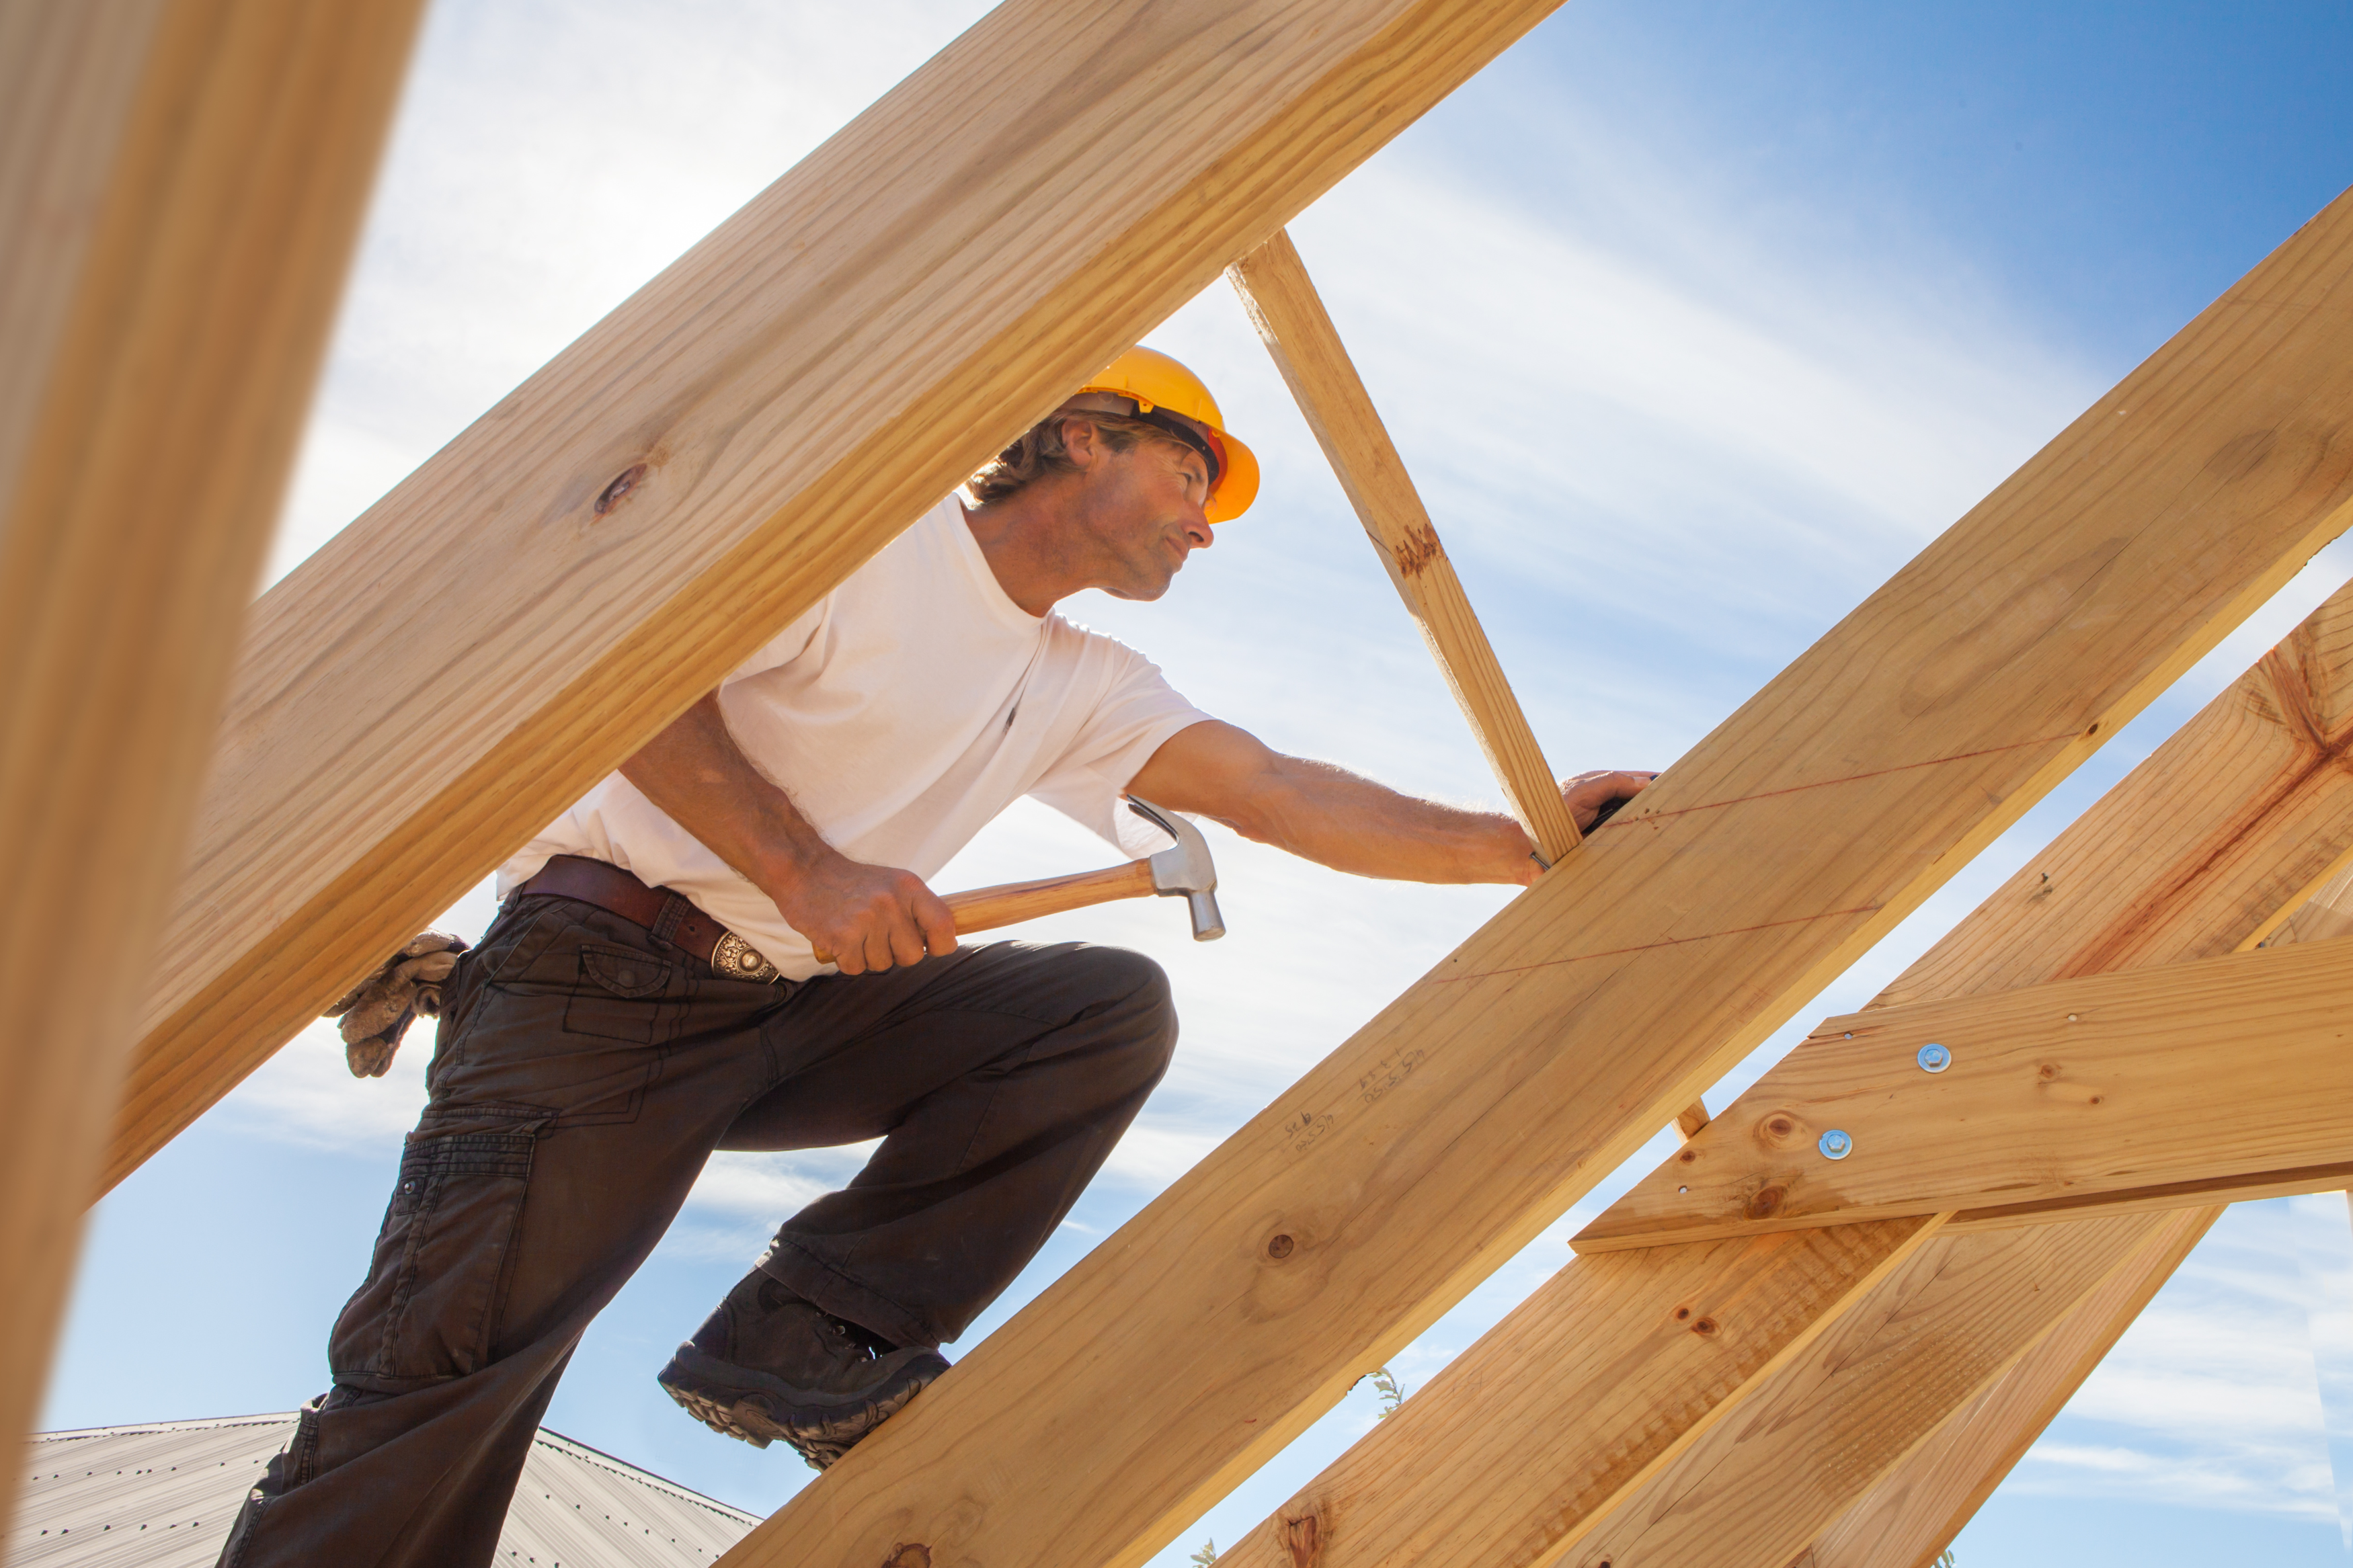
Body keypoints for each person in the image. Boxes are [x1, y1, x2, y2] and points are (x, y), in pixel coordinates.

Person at [216, 347, 1651, 1567]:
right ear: (1084, 435)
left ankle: (802, 1334)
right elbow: (628, 689)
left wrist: (1519, 838)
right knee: (445, 1396)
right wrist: (809, 871)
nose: (1205, 528)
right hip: (595, 979)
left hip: (776, 1006)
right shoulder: (870, 540)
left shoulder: (1073, 678)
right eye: (1192, 479)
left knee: (1097, 1008)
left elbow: (1279, 791)